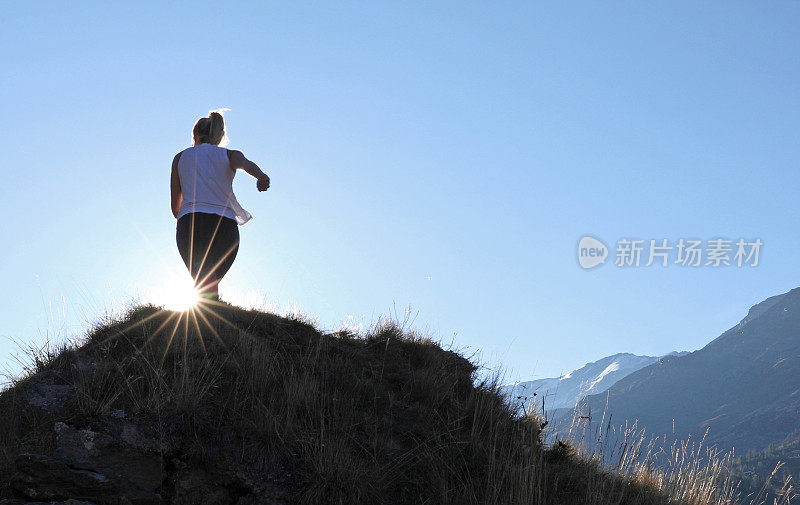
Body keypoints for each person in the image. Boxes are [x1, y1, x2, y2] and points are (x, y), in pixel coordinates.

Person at [170, 110, 270, 302]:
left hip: (191, 221)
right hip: (225, 226)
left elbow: (176, 205)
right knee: (210, 281)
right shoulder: (229, 154)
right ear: (219, 136)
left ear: (194, 136)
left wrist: (185, 220)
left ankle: (207, 318)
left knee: (204, 279)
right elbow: (245, 164)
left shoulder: (180, 158)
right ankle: (213, 314)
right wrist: (261, 176)